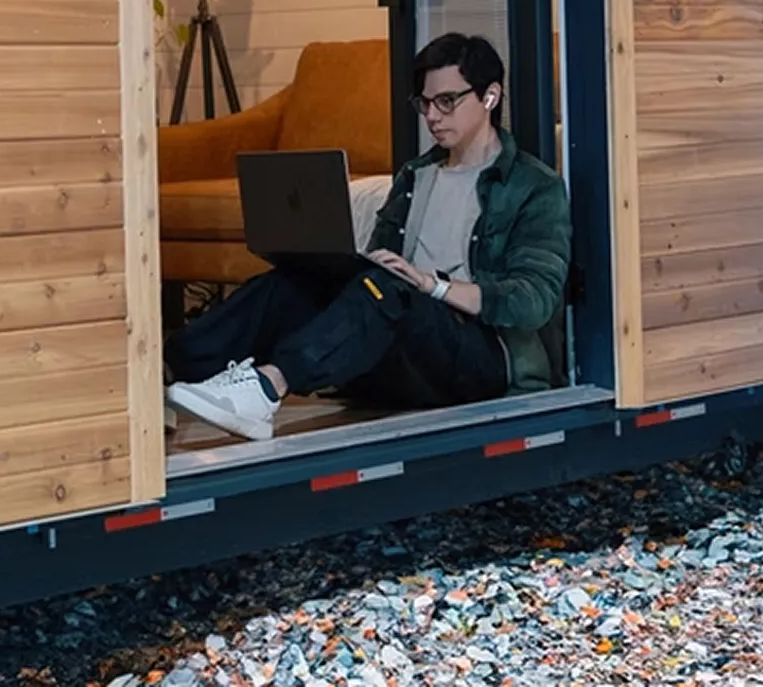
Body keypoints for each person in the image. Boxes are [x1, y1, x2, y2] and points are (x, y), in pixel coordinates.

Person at [164, 32, 572, 441]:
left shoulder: (534, 186)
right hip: (407, 349)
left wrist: (433, 286)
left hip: (484, 360)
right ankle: (174, 382)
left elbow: (533, 300)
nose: (432, 116)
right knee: (291, 284)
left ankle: (268, 387)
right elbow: (383, 259)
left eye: (447, 101)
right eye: (425, 103)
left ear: (490, 96)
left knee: (387, 291)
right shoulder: (416, 175)